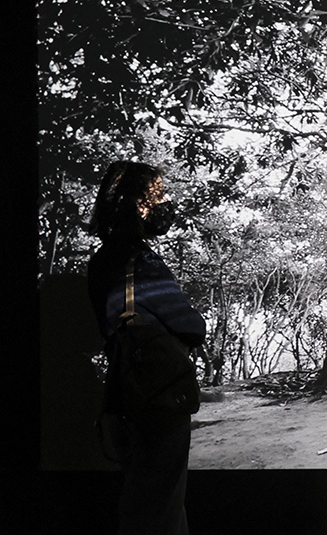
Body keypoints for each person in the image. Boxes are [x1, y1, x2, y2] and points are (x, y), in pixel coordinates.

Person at [87, 161, 206, 535]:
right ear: (138, 203)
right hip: (159, 397)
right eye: (158, 195)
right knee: (162, 510)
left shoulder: (100, 261)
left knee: (144, 503)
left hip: (122, 396)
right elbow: (190, 324)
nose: (166, 202)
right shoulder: (144, 262)